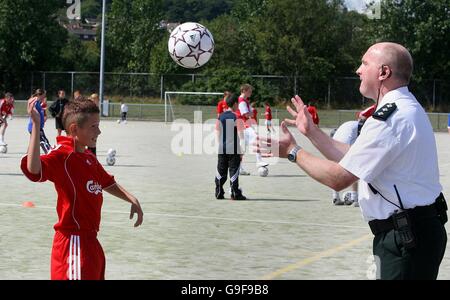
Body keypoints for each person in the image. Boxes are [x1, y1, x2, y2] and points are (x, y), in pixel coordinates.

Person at [258, 42, 447, 280]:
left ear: (383, 72)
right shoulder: (402, 108)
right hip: (414, 233)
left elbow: (339, 178)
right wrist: (312, 132)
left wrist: (293, 152)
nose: (358, 70)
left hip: (407, 239)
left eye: (365, 63)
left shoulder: (390, 118)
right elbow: (355, 157)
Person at [20, 98, 144, 280]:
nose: (99, 131)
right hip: (73, 245)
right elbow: (34, 169)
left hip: (91, 243)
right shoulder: (62, 156)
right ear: (74, 130)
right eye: (94, 126)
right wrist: (36, 128)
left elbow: (106, 181)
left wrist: (131, 198)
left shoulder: (88, 156)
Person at [331, 104, 377, 206]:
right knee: (355, 170)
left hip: (334, 145)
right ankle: (355, 199)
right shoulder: (363, 128)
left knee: (337, 171)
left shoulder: (350, 124)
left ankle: (335, 197)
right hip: (344, 144)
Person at [215, 94, 246, 200]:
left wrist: (219, 145)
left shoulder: (220, 116)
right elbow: (241, 135)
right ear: (235, 104)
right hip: (234, 148)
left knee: (221, 170)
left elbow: (217, 133)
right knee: (234, 170)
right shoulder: (237, 116)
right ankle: (235, 193)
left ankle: (219, 190)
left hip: (222, 148)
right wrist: (242, 150)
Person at [235, 84, 268, 175]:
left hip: (242, 125)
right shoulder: (242, 101)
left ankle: (239, 168)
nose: (251, 93)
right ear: (244, 91)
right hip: (244, 125)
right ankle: (259, 161)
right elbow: (246, 114)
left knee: (242, 148)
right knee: (255, 140)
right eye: (249, 91)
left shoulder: (243, 100)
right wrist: (252, 113)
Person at [27, 89, 51, 154]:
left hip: (38, 126)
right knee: (43, 141)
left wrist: (43, 117)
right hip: (34, 126)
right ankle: (49, 154)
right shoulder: (34, 101)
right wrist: (36, 115)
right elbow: (30, 111)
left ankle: (28, 156)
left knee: (34, 143)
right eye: (44, 95)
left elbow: (41, 111)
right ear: (41, 94)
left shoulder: (38, 102)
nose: (45, 96)